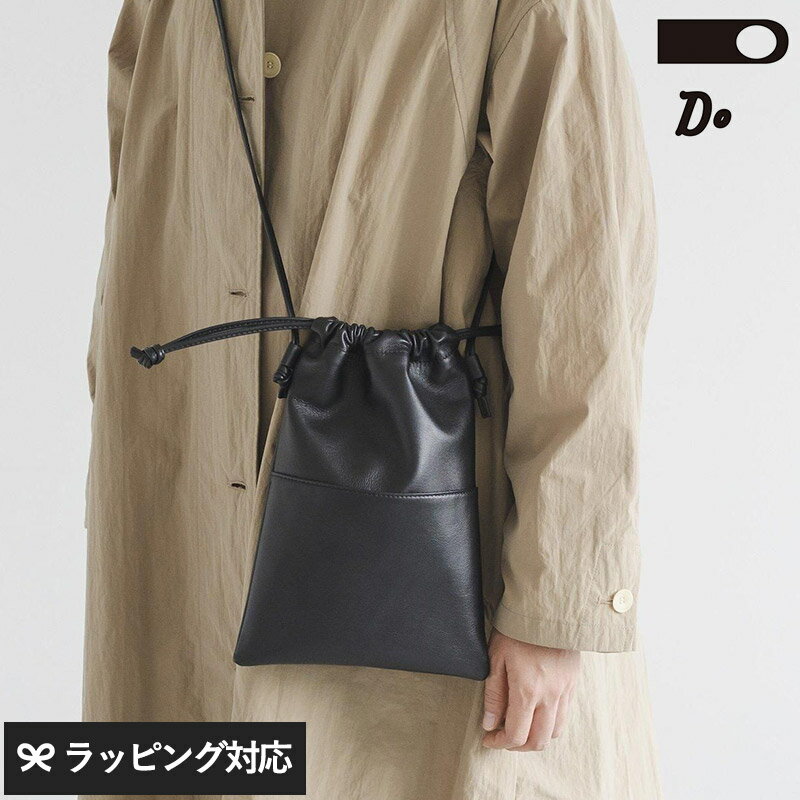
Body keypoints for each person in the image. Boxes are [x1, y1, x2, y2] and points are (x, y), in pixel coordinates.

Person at [84, 1, 660, 798]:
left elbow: (583, 296)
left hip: (428, 549)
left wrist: (555, 605)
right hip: (183, 514)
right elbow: (136, 208)